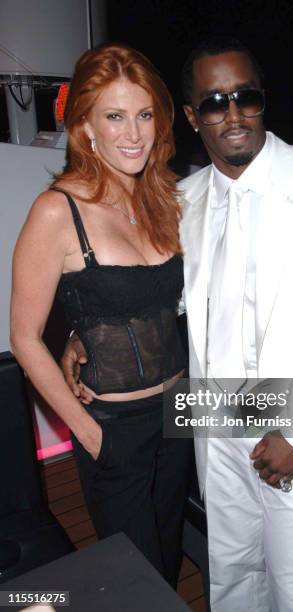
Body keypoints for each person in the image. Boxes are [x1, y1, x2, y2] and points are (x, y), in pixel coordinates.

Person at [63, 38, 293, 611]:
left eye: (247, 97)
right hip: (217, 426)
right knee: (233, 579)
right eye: (215, 102)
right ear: (192, 117)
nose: (234, 113)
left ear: (263, 102)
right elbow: (159, 294)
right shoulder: (181, 201)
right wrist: (82, 334)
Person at [10, 43, 192, 588]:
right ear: (86, 127)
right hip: (114, 428)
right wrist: (88, 435)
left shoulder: (161, 197)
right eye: (114, 116)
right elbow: (22, 337)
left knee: (168, 553)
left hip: (180, 412)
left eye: (144, 114)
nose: (133, 133)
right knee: (136, 577)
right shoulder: (56, 211)